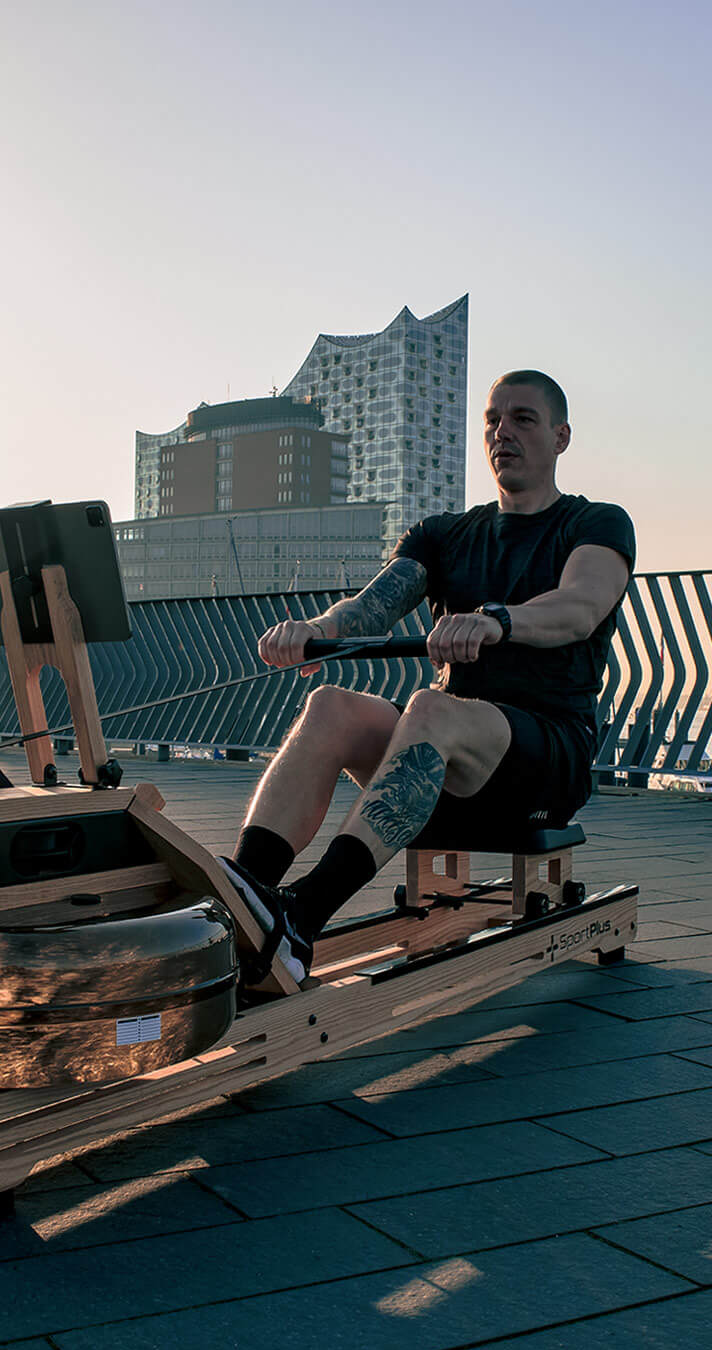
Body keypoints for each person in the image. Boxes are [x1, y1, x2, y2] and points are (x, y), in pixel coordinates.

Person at [221, 370, 636, 984]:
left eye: (523, 419)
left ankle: (301, 920)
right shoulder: (444, 534)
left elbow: (578, 607)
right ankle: (246, 897)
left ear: (561, 436)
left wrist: (496, 620)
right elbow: (368, 610)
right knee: (332, 703)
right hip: (443, 763)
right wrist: (314, 629)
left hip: (545, 757)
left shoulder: (595, 523)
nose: (502, 432)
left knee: (431, 708)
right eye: (493, 420)